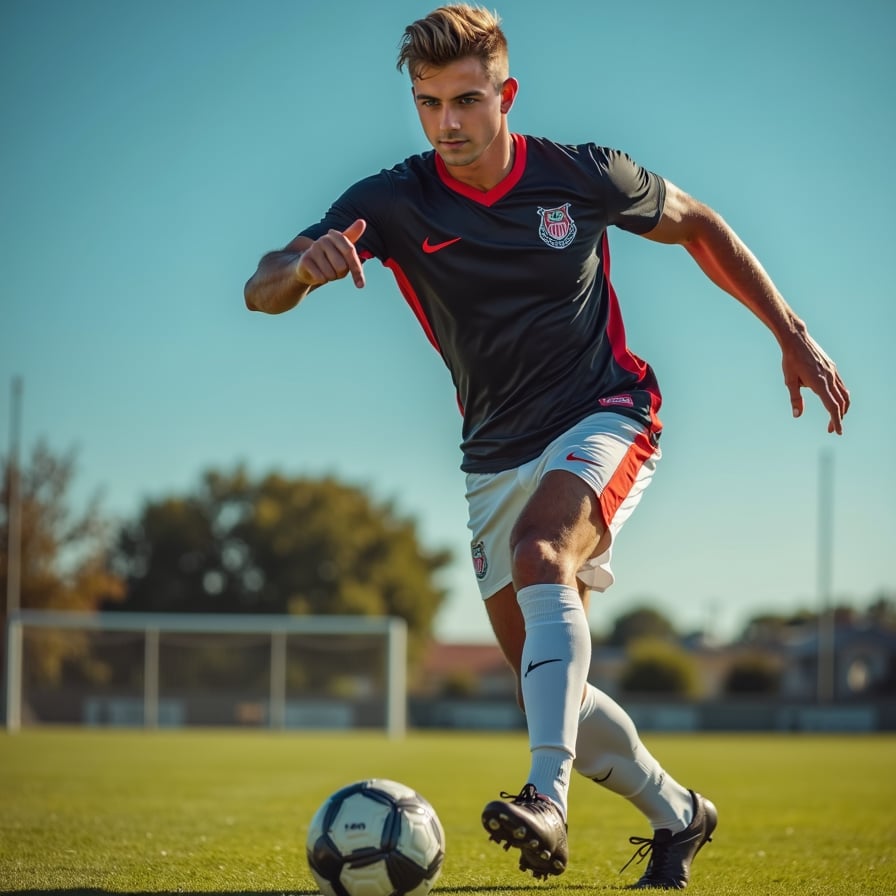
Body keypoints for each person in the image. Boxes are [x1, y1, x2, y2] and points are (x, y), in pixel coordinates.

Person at [245, 4, 849, 889]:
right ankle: (679, 814)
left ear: (506, 95)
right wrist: (301, 268)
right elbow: (260, 287)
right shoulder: (392, 201)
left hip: (607, 411)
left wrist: (789, 332)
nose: (447, 123)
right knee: (542, 677)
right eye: (428, 103)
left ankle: (546, 798)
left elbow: (701, 227)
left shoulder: (583, 174)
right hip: (492, 456)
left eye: (466, 100)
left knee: (542, 554)